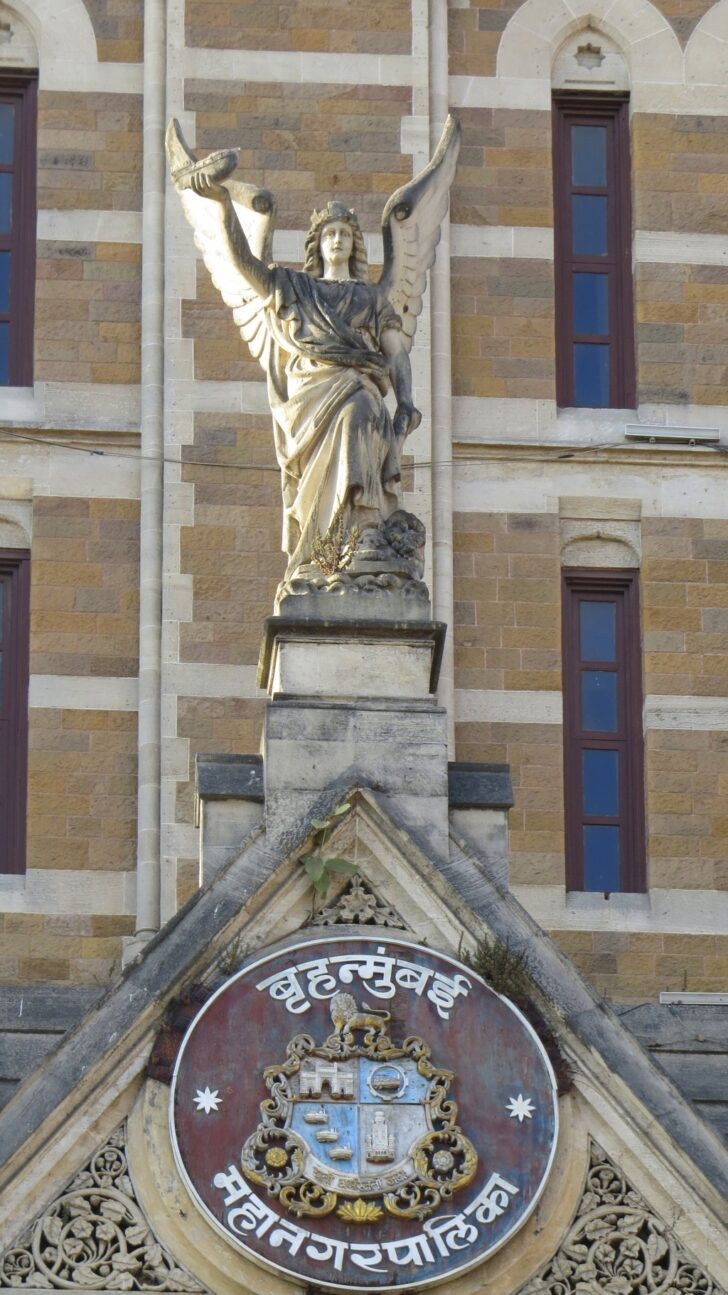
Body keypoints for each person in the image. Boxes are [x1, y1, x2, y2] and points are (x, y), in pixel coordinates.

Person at [183, 160, 421, 578]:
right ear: (317, 243)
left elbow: (396, 352)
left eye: (345, 234)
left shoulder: (371, 297)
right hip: (311, 397)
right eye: (330, 233)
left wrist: (406, 399)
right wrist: (222, 204)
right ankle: (328, 548)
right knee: (350, 419)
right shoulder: (295, 288)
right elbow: (244, 265)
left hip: (359, 387)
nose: (337, 240)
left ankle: (363, 528)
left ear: (355, 245)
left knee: (361, 410)